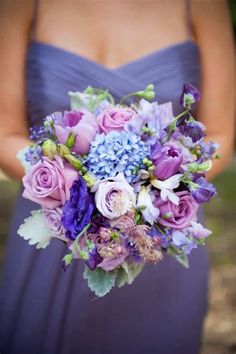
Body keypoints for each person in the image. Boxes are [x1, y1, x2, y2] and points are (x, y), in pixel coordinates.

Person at [0, 0, 234, 353]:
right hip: (55, 237)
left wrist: (145, 199)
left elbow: (220, 132)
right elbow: (5, 133)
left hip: (158, 239)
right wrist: (86, 194)